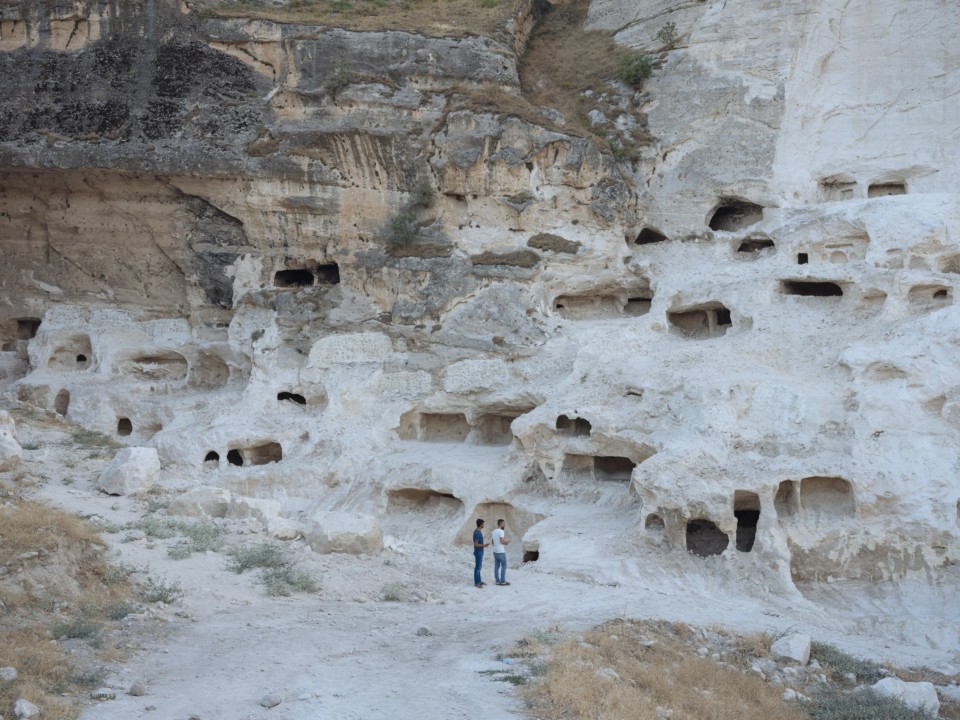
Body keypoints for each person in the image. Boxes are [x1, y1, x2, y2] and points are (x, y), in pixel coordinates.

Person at [491, 518, 510, 586]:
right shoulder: (501, 531)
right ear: (501, 524)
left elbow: (492, 542)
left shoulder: (493, 531)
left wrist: (499, 544)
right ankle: (503, 581)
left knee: (496, 566)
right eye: (504, 524)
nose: (504, 525)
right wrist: (506, 543)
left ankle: (497, 581)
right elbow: (502, 541)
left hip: (495, 551)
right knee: (504, 566)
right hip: (500, 551)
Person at [472, 518, 489, 588]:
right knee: (477, 567)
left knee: (479, 566)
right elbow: (476, 544)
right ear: (481, 524)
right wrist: (484, 545)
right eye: (483, 524)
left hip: (480, 551)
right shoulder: (476, 533)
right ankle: (477, 583)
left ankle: (479, 581)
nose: (483, 525)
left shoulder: (479, 531)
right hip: (478, 551)